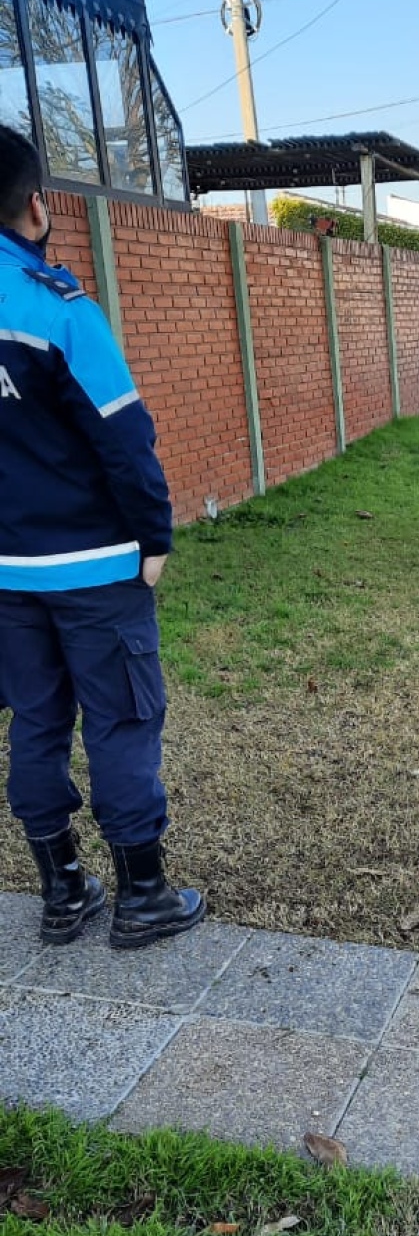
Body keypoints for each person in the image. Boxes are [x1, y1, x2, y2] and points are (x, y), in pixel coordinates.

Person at [0, 125, 205, 949]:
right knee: (120, 719)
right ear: (35, 206)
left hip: (6, 573)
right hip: (92, 565)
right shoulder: (54, 306)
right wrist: (154, 536)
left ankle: (61, 892)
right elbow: (124, 435)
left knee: (36, 724)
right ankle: (143, 896)